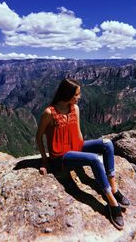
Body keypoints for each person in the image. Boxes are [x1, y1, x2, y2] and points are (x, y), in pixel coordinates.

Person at [36, 78, 130, 230]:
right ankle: (112, 203)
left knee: (107, 144)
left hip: (76, 147)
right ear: (67, 94)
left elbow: (77, 132)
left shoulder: (75, 108)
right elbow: (38, 136)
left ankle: (114, 187)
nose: (79, 97)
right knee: (94, 160)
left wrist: (83, 150)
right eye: (77, 94)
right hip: (60, 156)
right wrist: (45, 161)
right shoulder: (49, 113)